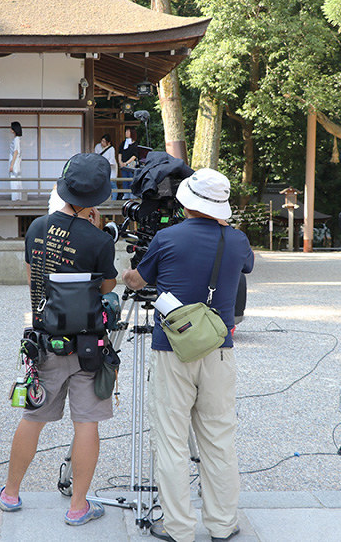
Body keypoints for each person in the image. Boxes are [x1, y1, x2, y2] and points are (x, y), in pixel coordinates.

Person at [123, 168, 254, 542]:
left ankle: (179, 528)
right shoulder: (238, 239)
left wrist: (128, 272)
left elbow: (138, 280)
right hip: (219, 350)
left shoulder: (166, 237)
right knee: (218, 439)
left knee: (171, 440)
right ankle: (222, 524)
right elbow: (246, 264)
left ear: (186, 201)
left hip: (172, 348)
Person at [0, 153, 117, 525]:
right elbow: (107, 286)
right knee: (86, 423)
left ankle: (11, 493)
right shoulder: (98, 240)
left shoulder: (37, 228)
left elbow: (34, 281)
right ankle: (78, 506)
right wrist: (96, 232)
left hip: (46, 339)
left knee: (33, 417)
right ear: (96, 197)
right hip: (89, 344)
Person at [117, 127, 139, 200]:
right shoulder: (123, 143)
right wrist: (120, 162)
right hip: (123, 164)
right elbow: (120, 152)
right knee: (124, 179)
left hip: (131, 164)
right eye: (126, 132)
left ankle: (132, 193)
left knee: (131, 179)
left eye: (128, 132)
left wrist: (126, 163)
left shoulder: (135, 144)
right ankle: (126, 194)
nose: (126, 133)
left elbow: (135, 155)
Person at [9, 121, 23, 201]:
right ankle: (18, 197)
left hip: (15, 163)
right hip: (16, 162)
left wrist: (11, 165)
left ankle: (16, 198)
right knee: (16, 179)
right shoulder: (17, 139)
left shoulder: (16, 139)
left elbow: (16, 151)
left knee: (14, 179)